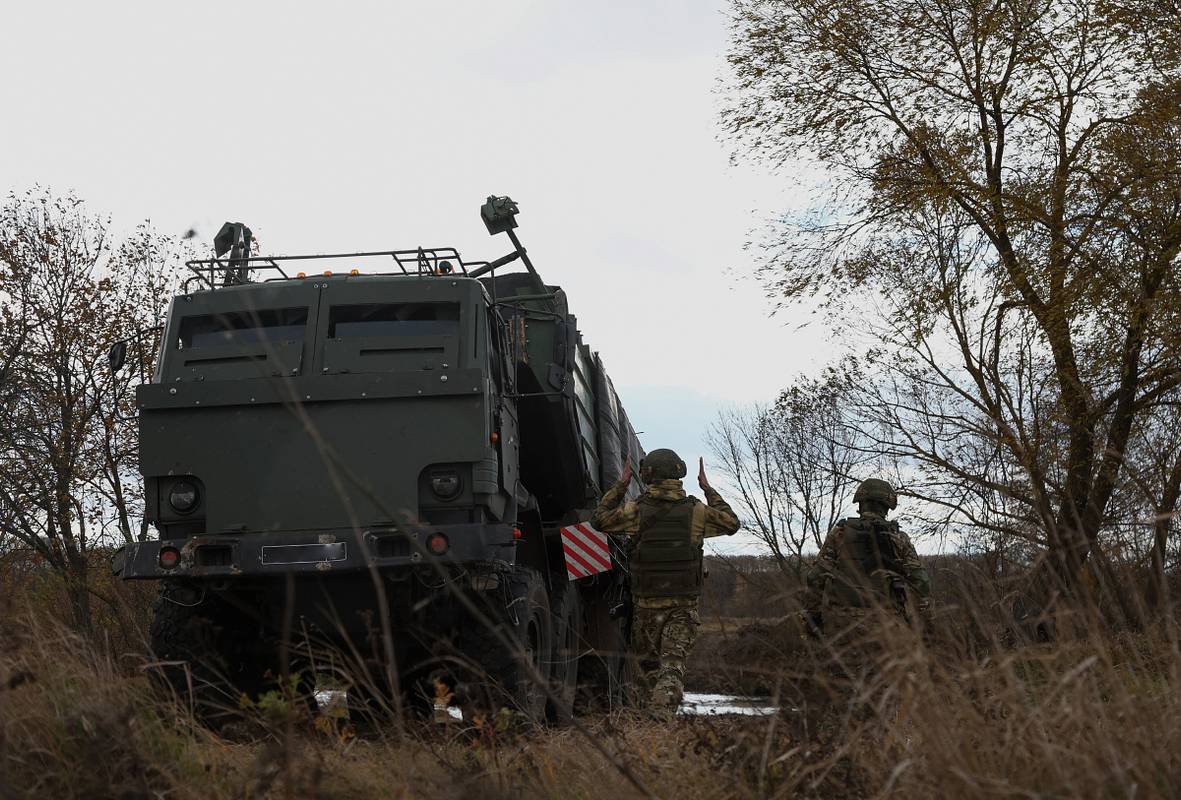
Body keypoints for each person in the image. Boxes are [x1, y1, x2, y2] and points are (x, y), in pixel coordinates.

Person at [591, 449, 740, 714]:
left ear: (647, 475)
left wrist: (621, 484)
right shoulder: (697, 511)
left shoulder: (635, 510)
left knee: (647, 670)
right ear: (679, 473)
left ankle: (652, 724)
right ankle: (660, 720)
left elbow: (599, 520)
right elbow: (731, 523)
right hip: (683, 605)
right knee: (672, 667)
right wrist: (708, 489)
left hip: (646, 606)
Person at [802, 478, 930, 634]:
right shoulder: (898, 537)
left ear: (860, 503)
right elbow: (921, 581)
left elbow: (815, 577)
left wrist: (813, 620)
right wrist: (922, 623)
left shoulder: (839, 534)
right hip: (887, 626)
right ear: (887, 506)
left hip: (842, 625)